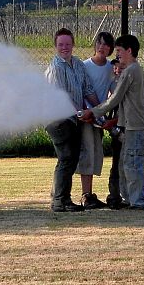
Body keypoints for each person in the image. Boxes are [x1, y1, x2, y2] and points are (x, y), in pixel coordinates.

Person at [80, 35, 144, 210]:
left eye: (119, 51)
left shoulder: (130, 71)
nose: (117, 54)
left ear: (129, 51)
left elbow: (115, 99)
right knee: (126, 163)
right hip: (130, 124)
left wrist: (93, 111)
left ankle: (138, 201)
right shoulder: (132, 69)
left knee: (132, 163)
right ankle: (130, 199)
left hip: (135, 125)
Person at [44, 28, 100, 212]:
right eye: (61, 44)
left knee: (70, 158)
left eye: (68, 44)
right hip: (59, 120)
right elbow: (61, 97)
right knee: (67, 158)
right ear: (55, 46)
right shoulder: (55, 68)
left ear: (73, 45)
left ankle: (61, 198)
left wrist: (99, 109)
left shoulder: (77, 64)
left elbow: (88, 89)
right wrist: (79, 112)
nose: (64, 48)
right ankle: (60, 201)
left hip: (73, 120)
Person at [76, 32, 115, 210]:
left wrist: (104, 115)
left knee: (96, 153)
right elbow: (82, 91)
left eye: (106, 45)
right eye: (99, 43)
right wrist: (89, 113)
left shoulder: (110, 68)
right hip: (87, 118)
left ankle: (90, 194)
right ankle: (86, 194)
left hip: (99, 118)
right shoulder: (84, 66)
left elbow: (112, 92)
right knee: (87, 152)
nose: (102, 47)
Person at [104, 58, 126, 209]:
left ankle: (127, 195)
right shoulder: (111, 87)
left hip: (126, 128)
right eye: (115, 70)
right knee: (117, 163)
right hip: (117, 132)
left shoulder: (128, 87)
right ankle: (114, 195)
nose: (117, 72)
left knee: (127, 164)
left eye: (120, 69)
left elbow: (126, 113)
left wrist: (112, 122)